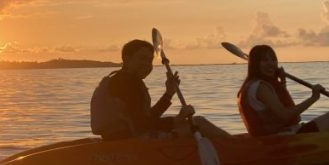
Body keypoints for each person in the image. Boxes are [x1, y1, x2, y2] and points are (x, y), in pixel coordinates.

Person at [91, 39, 230, 141]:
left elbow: (145, 119)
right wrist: (178, 119)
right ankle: (237, 148)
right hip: (132, 142)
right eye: (141, 58)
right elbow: (142, 126)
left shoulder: (121, 79)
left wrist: (168, 94)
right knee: (199, 123)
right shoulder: (127, 82)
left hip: (124, 137)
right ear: (126, 59)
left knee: (193, 123)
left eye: (150, 60)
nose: (146, 64)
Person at [237, 44, 329, 136]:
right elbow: (286, 115)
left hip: (281, 133)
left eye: (273, 59)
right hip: (282, 137)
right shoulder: (261, 87)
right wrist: (313, 98)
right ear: (255, 64)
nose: (271, 64)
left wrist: (282, 83)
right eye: (265, 60)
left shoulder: (252, 85)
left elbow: (284, 109)